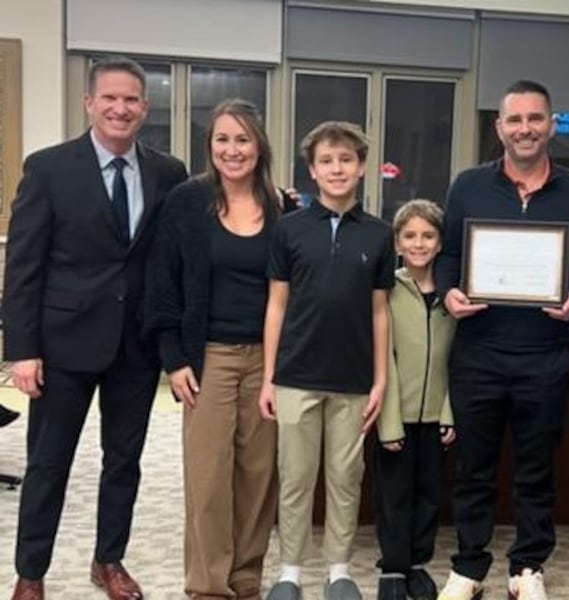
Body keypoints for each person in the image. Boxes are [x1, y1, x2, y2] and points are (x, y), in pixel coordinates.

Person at [2, 56, 187, 600]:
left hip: (135, 346)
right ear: (89, 103)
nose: (119, 108)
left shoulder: (168, 173)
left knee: (123, 463)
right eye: (109, 97)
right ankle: (30, 573)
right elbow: (23, 266)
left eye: (131, 99)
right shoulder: (49, 168)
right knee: (48, 464)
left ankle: (109, 560)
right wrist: (21, 350)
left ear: (145, 108)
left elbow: (177, 250)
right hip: (63, 344)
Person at [434, 80, 569, 600]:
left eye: (535, 118)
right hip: (478, 352)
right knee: (474, 468)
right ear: (499, 127)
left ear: (551, 125)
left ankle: (528, 567)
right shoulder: (468, 186)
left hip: (545, 355)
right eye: (515, 119)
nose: (525, 128)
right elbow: (447, 256)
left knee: (537, 468)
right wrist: (449, 292)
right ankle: (469, 566)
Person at [144, 99, 294, 600]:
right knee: (208, 480)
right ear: (210, 146)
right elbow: (162, 283)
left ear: (260, 146)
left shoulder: (282, 208)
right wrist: (173, 358)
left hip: (267, 361)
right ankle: (209, 586)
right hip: (207, 357)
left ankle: (245, 580)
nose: (233, 150)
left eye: (243, 139)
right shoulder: (187, 201)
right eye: (223, 139)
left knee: (257, 478)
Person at [258, 121, 395, 600]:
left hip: (354, 379)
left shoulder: (379, 234)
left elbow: (380, 311)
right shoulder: (288, 229)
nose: (337, 169)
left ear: (361, 167)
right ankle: (290, 572)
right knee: (295, 477)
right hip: (295, 374)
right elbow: (276, 305)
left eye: (346, 160)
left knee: (345, 478)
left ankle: (339, 570)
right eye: (326, 161)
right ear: (312, 170)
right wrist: (269, 378)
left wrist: (380, 380)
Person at [375, 199, 456, 600]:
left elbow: (457, 361)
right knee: (394, 495)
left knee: (428, 494)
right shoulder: (387, 291)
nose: (419, 243)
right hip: (397, 416)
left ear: (440, 242)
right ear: (397, 242)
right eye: (410, 236)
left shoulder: (452, 296)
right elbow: (383, 360)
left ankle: (418, 564)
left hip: (436, 415)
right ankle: (393, 567)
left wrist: (448, 413)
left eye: (428, 235)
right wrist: (388, 422)